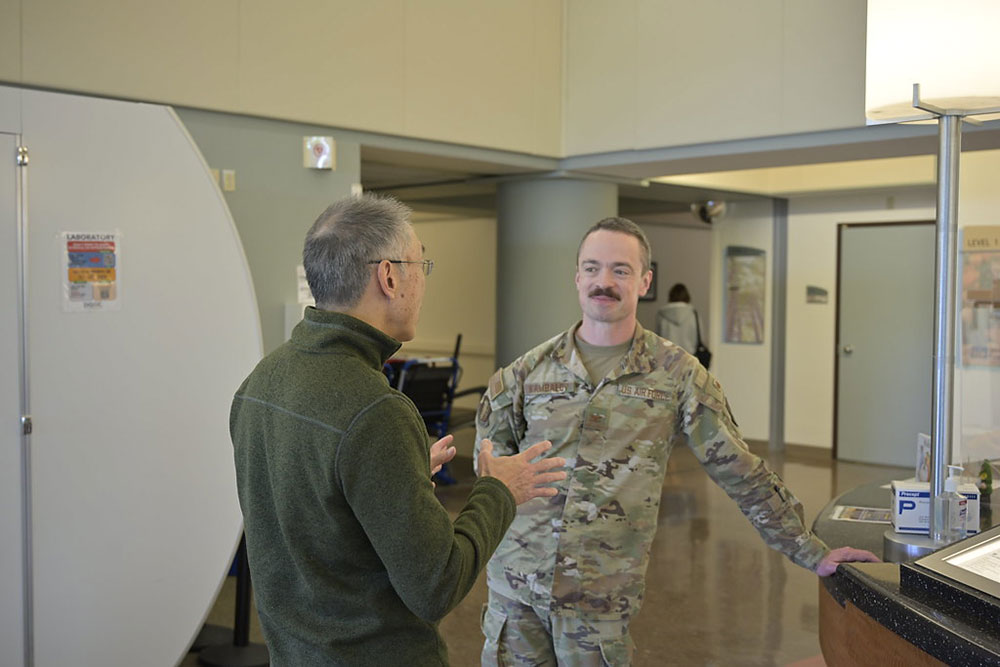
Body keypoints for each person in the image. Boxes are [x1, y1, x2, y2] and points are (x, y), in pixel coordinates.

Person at [474, 217, 878, 666]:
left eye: (620, 270)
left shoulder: (676, 375)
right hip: (516, 589)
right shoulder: (525, 373)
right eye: (591, 268)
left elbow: (740, 471)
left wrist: (810, 551)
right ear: (577, 277)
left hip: (599, 599)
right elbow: (489, 474)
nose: (603, 281)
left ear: (645, 282)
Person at [230, 194, 567, 666]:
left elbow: (310, 513)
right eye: (421, 265)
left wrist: (392, 477)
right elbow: (437, 585)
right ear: (388, 277)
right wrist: (498, 491)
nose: (423, 281)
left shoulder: (260, 382)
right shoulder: (376, 411)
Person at [656, 282, 698, 355]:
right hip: (689, 355)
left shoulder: (661, 314)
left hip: (667, 355)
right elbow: (698, 338)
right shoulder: (693, 313)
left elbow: (657, 338)